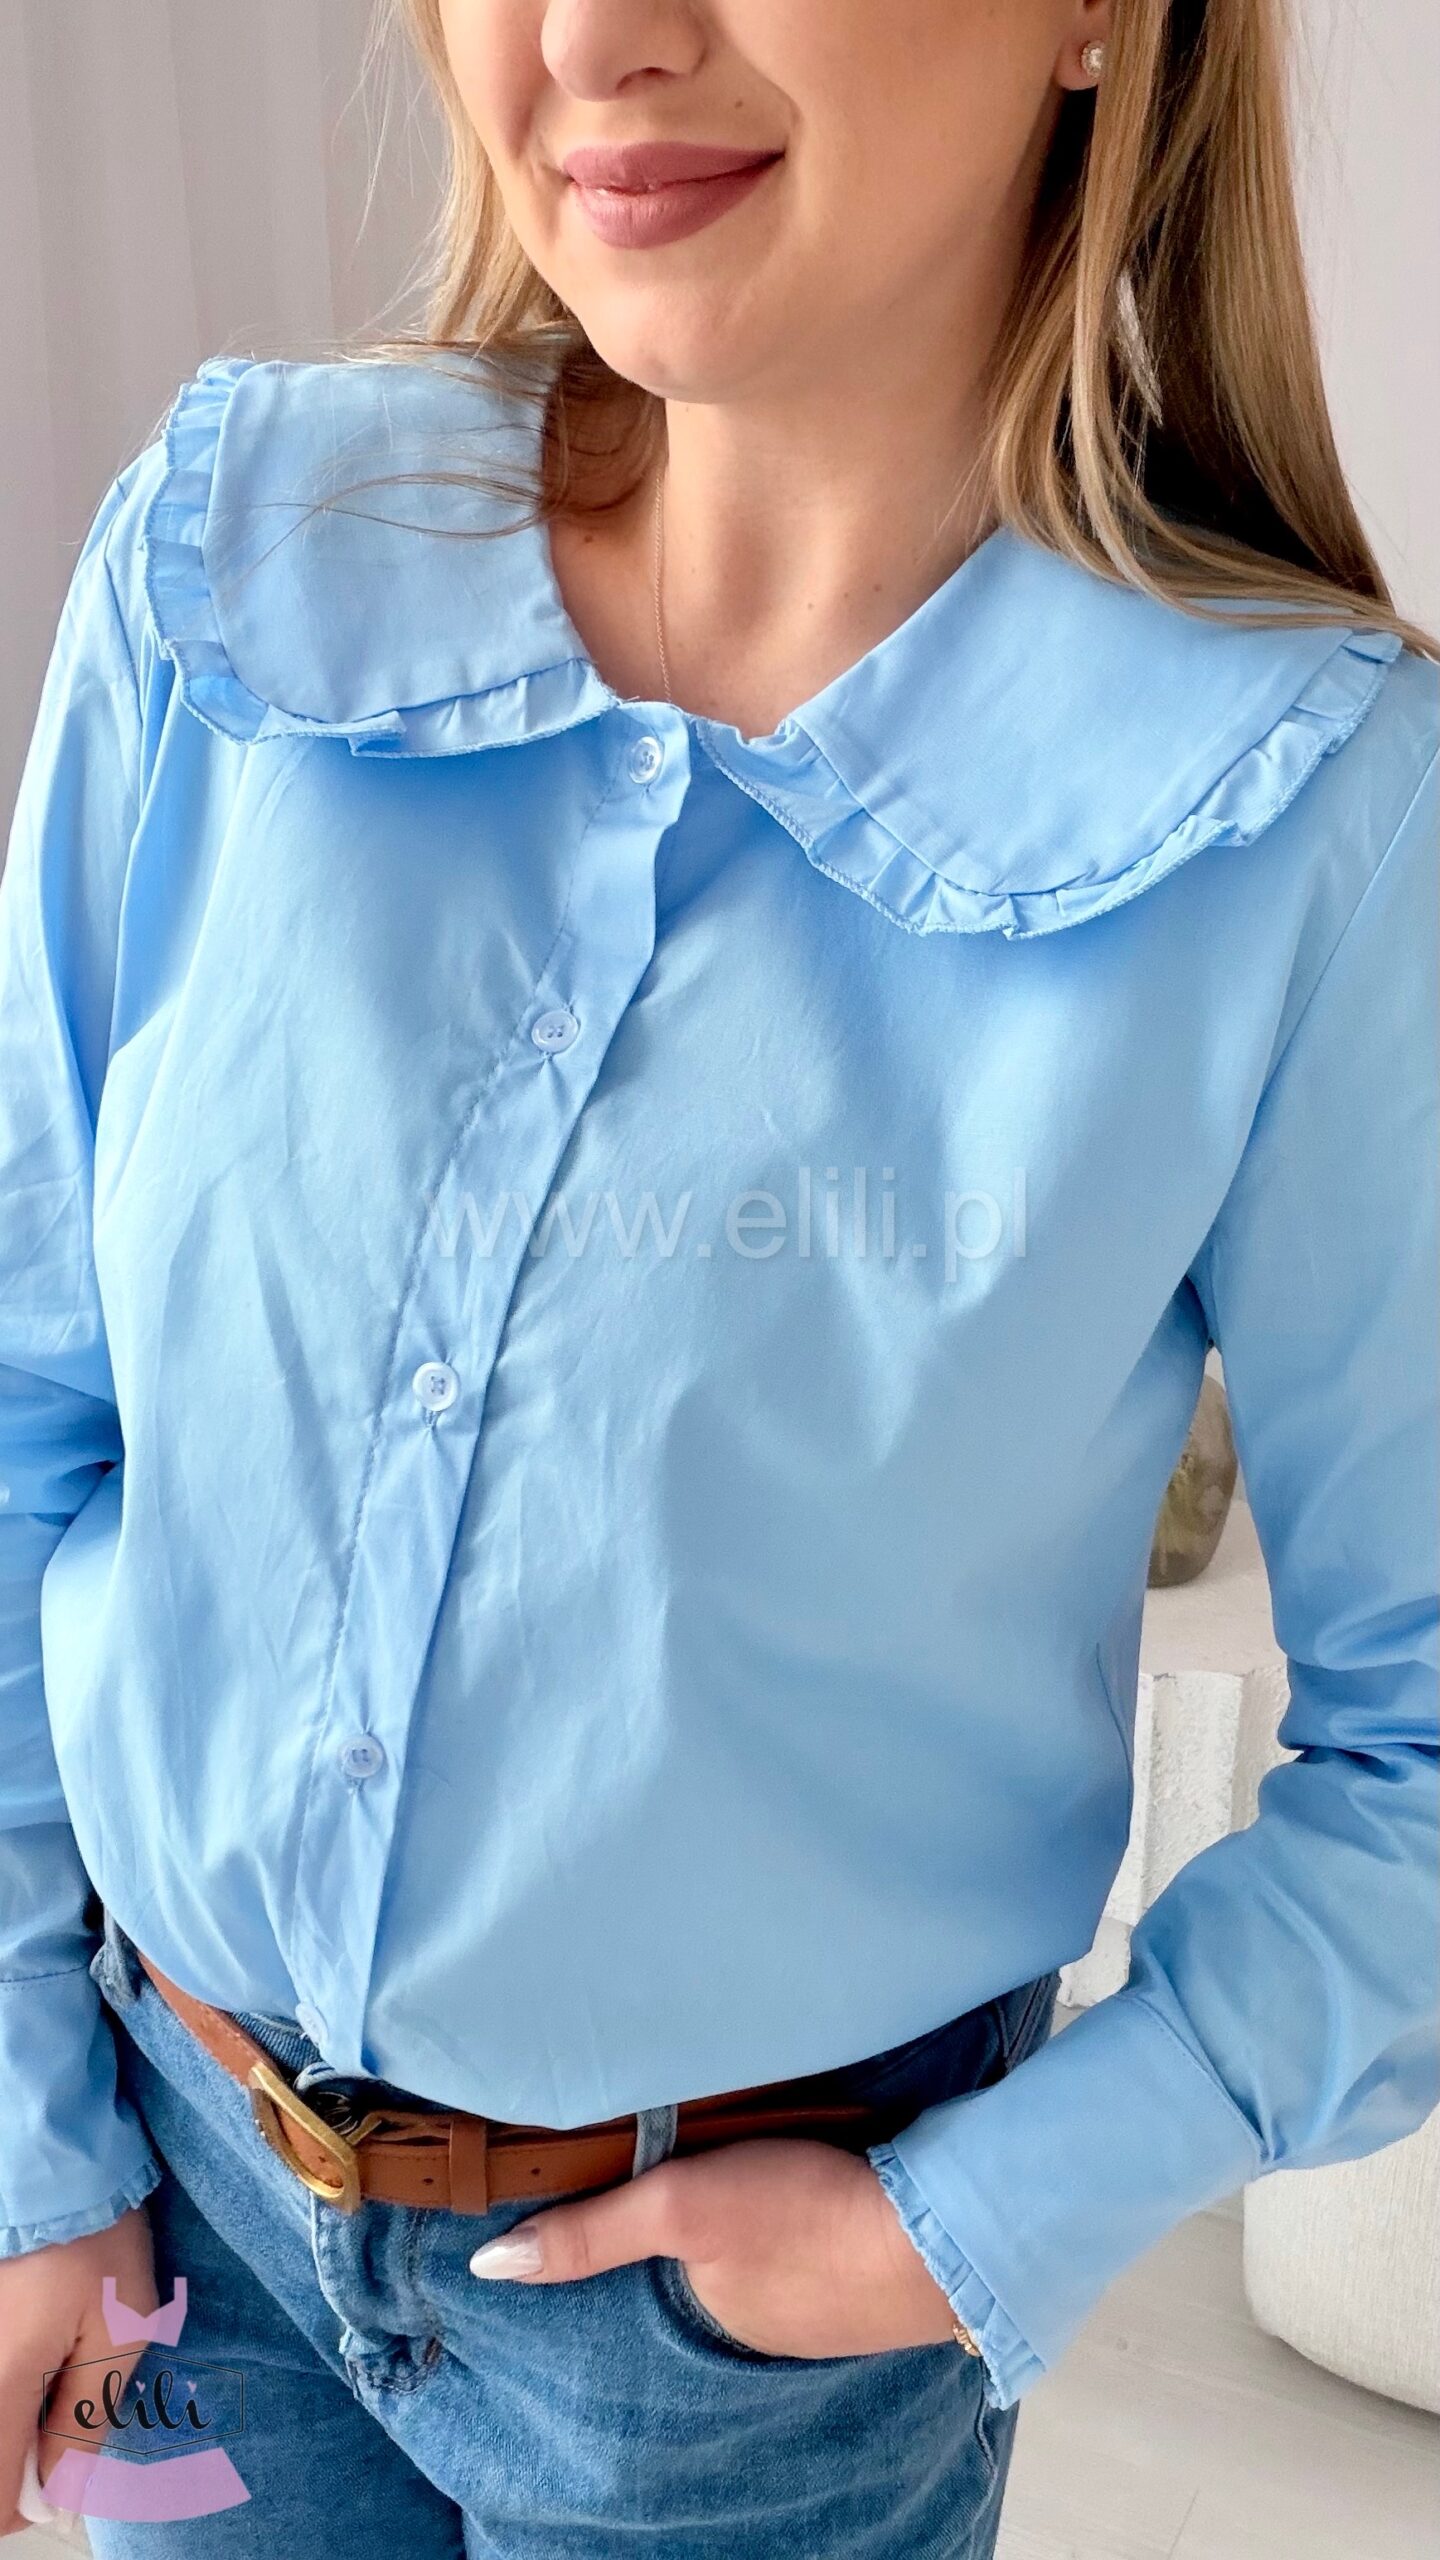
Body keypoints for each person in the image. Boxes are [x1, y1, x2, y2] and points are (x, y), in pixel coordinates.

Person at [1, 0, 1436, 2551]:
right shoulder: (224, 568)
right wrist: (27, 2123)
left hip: (736, 2384)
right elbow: (24, 1411)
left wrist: (978, 2221)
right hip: (175, 2204)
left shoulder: (1317, 826)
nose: (591, 38)